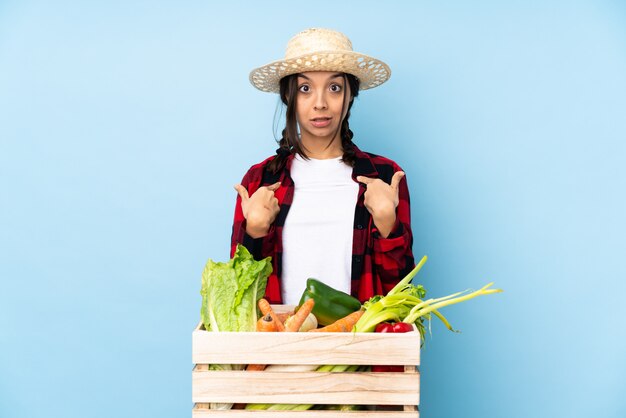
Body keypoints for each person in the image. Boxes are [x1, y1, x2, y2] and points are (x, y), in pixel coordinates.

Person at [230, 28, 415, 305]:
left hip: (359, 343)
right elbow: (238, 297)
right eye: (305, 89)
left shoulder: (384, 176)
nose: (320, 103)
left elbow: (402, 295)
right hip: (279, 342)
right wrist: (255, 231)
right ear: (288, 97)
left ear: (350, 94)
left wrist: (388, 223)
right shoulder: (259, 180)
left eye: (335, 88)